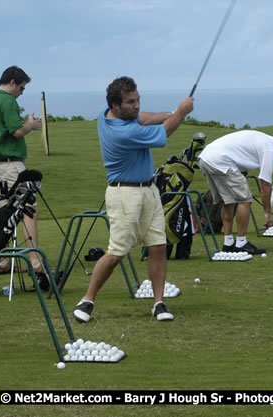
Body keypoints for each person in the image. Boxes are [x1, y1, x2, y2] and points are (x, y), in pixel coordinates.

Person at [73, 76, 194, 323]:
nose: (137, 105)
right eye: (131, 102)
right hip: (124, 194)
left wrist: (169, 112)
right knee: (116, 252)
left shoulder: (109, 114)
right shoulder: (123, 132)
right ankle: (87, 300)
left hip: (148, 190)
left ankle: (158, 302)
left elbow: (145, 117)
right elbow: (164, 132)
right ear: (115, 105)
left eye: (138, 100)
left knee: (158, 246)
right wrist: (180, 112)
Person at [0, 66, 43, 274]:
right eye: (22, 88)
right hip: (11, 165)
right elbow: (16, 132)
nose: (21, 92)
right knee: (29, 210)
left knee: (4, 212)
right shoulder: (8, 101)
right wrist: (31, 125)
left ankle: (0, 261)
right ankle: (35, 263)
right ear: (12, 83)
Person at [198, 130, 273, 254]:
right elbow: (265, 185)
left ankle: (228, 243)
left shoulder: (264, 140)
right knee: (245, 200)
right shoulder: (270, 149)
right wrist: (267, 213)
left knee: (228, 202)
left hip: (206, 158)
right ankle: (241, 243)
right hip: (220, 160)